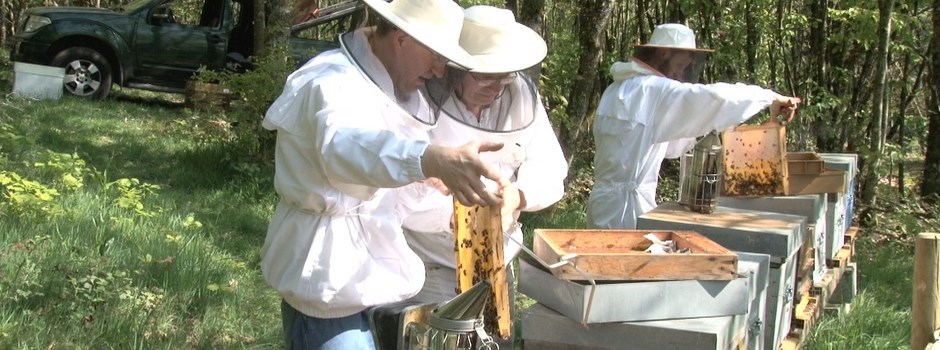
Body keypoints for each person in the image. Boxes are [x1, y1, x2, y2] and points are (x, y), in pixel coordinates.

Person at [258, 0, 509, 348]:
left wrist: (435, 194)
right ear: (402, 39)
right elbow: (345, 148)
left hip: (373, 279)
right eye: (436, 55)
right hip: (325, 278)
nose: (439, 71)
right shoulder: (330, 80)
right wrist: (427, 160)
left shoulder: (404, 93)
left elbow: (386, 197)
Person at [403, 5, 568, 348]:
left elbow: (552, 169)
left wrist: (518, 196)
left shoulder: (520, 96)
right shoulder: (415, 96)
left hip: (498, 263)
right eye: (485, 76)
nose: (496, 88)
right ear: (454, 68)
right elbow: (397, 190)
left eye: (504, 76)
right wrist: (458, 215)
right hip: (432, 265)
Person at [586, 23, 801, 230]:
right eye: (680, 65)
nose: (681, 73)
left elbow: (671, 149)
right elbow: (715, 97)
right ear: (663, 56)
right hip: (629, 210)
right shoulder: (655, 91)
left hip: (602, 204)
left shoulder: (616, 89)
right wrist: (768, 98)